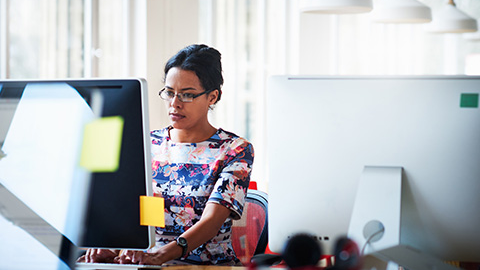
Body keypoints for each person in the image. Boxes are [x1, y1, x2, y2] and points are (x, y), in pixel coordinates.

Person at [80, 44, 254, 266]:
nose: (175, 104)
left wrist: (163, 255)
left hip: (208, 266)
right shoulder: (149, 143)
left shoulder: (235, 149)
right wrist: (112, 249)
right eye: (170, 93)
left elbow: (212, 221)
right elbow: (145, 213)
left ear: (212, 97)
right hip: (151, 263)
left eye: (187, 95)